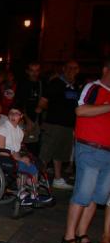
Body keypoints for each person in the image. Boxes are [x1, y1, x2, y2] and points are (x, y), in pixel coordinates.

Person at [59, 60, 110, 243]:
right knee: (83, 193)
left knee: (97, 197)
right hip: (90, 148)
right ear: (105, 70)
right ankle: (68, 237)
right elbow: (80, 111)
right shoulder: (94, 88)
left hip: (108, 152)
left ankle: (81, 234)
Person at [0, 106, 51, 206]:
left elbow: (16, 151)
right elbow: (2, 151)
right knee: (21, 165)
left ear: (21, 116)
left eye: (16, 114)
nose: (13, 116)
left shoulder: (20, 132)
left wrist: (22, 158)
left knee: (32, 167)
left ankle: (34, 193)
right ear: (8, 115)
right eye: (11, 113)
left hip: (9, 157)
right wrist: (19, 159)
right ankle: (21, 193)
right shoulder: (2, 129)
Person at [39, 60, 80, 190]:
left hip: (68, 126)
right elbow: (43, 102)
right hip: (54, 124)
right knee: (46, 154)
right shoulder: (56, 82)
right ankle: (37, 179)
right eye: (69, 67)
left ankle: (57, 178)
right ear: (64, 68)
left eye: (74, 68)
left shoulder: (76, 85)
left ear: (78, 70)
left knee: (60, 154)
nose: (71, 70)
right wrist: (53, 112)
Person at [15, 62, 46, 155]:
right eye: (32, 71)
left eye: (37, 70)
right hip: (25, 121)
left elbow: (47, 102)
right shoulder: (22, 84)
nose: (34, 73)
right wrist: (27, 120)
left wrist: (42, 107)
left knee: (35, 149)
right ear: (27, 71)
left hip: (38, 121)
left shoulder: (42, 83)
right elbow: (19, 104)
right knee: (24, 147)